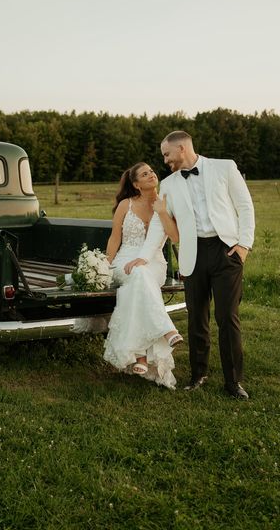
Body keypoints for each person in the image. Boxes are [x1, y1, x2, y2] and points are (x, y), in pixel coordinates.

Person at [135, 131, 255, 399]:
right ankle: (198, 375)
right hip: (192, 254)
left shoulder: (225, 167)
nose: (165, 160)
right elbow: (158, 223)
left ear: (181, 148)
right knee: (196, 318)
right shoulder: (168, 184)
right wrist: (144, 255)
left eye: (167, 154)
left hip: (226, 250)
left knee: (227, 317)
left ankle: (233, 382)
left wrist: (244, 245)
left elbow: (245, 206)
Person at [103, 162, 184, 390]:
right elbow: (114, 239)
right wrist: (105, 265)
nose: (151, 174)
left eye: (151, 171)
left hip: (155, 263)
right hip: (124, 260)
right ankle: (167, 330)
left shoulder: (166, 202)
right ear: (136, 184)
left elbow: (175, 236)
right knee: (138, 276)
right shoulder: (125, 205)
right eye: (144, 174)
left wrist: (161, 211)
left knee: (140, 279)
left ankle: (139, 356)